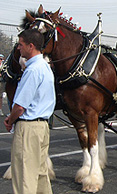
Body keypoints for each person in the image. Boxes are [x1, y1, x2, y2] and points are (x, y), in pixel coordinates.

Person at [4, 29, 56, 194]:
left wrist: (10, 120)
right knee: (40, 176)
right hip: (42, 128)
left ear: (30, 46)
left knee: (24, 177)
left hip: (28, 129)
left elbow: (20, 106)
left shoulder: (32, 71)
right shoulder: (45, 67)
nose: (18, 48)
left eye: (21, 44)